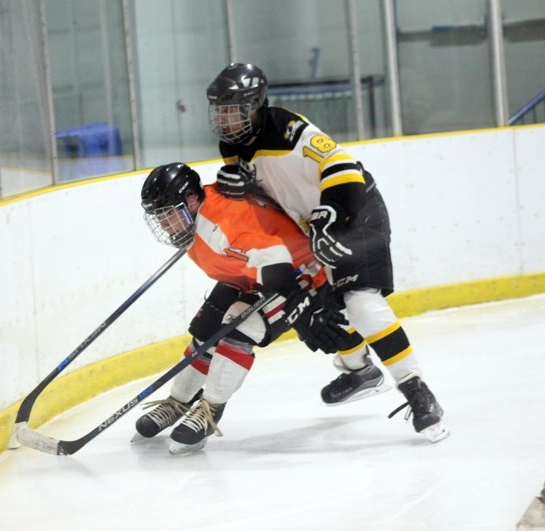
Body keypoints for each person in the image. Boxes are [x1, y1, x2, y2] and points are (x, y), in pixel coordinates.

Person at [205, 62, 449, 443]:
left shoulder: (286, 128)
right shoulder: (230, 148)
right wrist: (241, 192)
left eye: (231, 111)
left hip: (354, 209)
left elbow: (341, 166)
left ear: (255, 106)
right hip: (308, 229)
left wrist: (329, 214)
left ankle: (416, 390)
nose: (224, 120)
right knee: (317, 311)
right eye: (219, 111)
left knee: (360, 301)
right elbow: (272, 197)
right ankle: (360, 370)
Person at [136, 162, 350, 455]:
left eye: (169, 215)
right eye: (159, 218)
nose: (165, 225)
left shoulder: (220, 227)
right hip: (251, 273)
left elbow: (277, 263)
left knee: (237, 327)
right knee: (205, 332)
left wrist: (305, 308)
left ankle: (210, 410)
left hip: (300, 275)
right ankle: (178, 401)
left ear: (191, 201)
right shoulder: (194, 218)